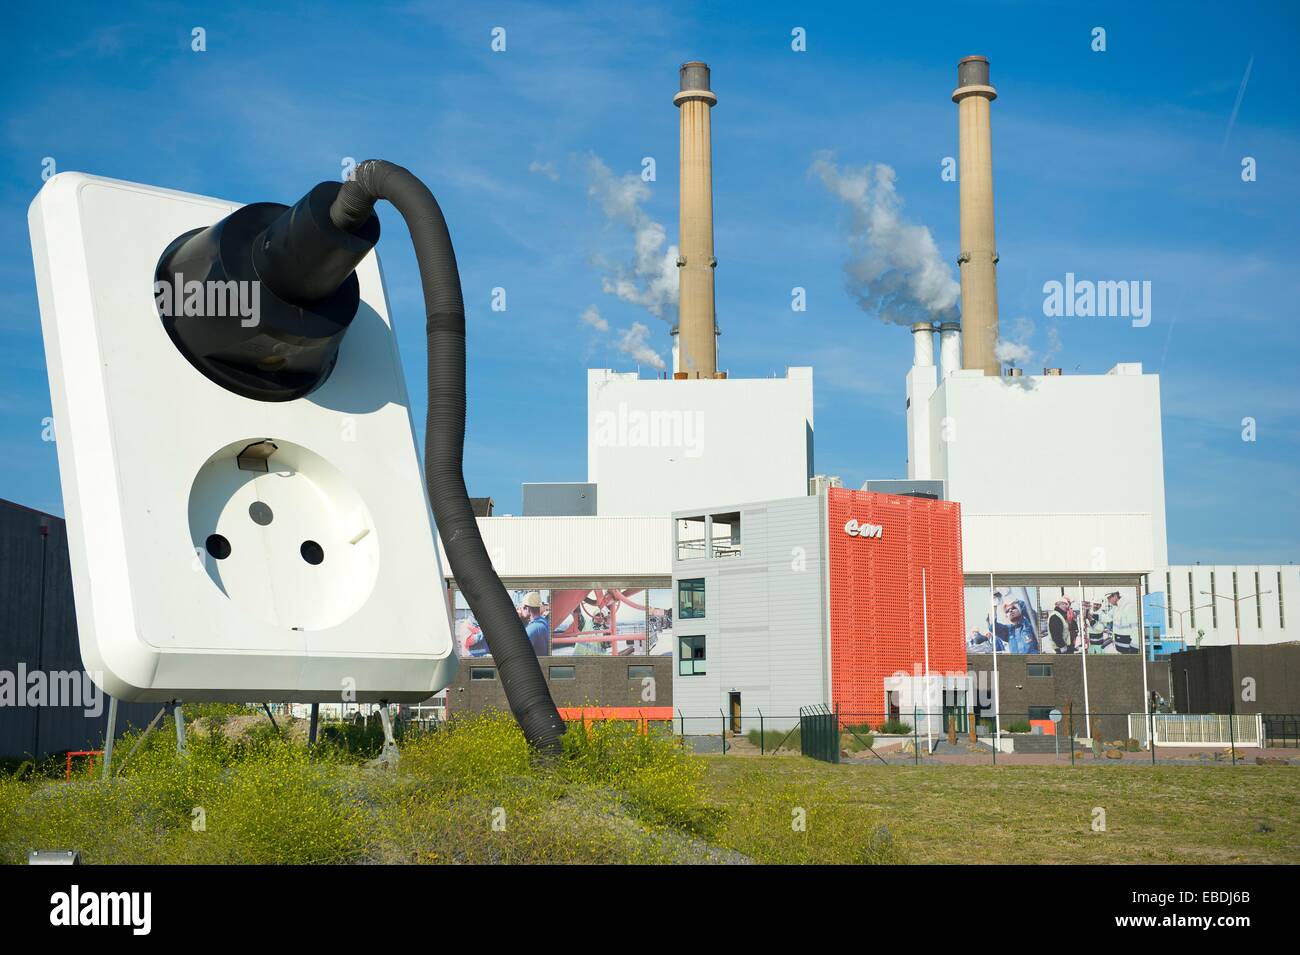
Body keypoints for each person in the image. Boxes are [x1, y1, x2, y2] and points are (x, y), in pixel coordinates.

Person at [519, 591, 551, 656]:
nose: (521, 611)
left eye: (522, 608)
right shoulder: (544, 622)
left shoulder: (532, 628)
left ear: (527, 609)